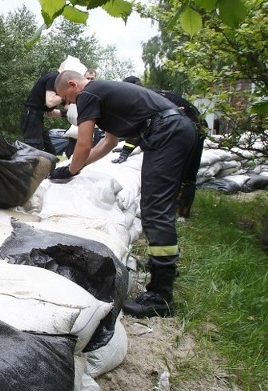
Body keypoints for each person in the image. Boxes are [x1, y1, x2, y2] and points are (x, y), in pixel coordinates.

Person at [52, 70, 199, 318]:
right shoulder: (103, 93)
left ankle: (161, 296)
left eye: (66, 97)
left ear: (72, 84)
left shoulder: (87, 94)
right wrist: (78, 168)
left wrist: (70, 169)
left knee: (154, 211)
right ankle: (164, 275)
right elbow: (107, 143)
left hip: (166, 131)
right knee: (157, 207)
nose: (69, 103)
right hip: (173, 129)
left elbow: (84, 143)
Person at [115, 76, 207, 219]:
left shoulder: (147, 99)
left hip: (193, 127)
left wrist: (126, 152)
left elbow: (142, 126)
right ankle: (176, 212)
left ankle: (180, 213)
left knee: (184, 171)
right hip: (189, 125)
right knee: (182, 172)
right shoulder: (148, 96)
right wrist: (125, 149)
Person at [20, 71, 66, 156]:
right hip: (32, 116)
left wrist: (67, 113)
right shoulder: (54, 77)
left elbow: (50, 113)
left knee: (50, 153)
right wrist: (65, 96)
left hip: (37, 116)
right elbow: (50, 102)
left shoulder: (54, 84)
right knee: (34, 151)